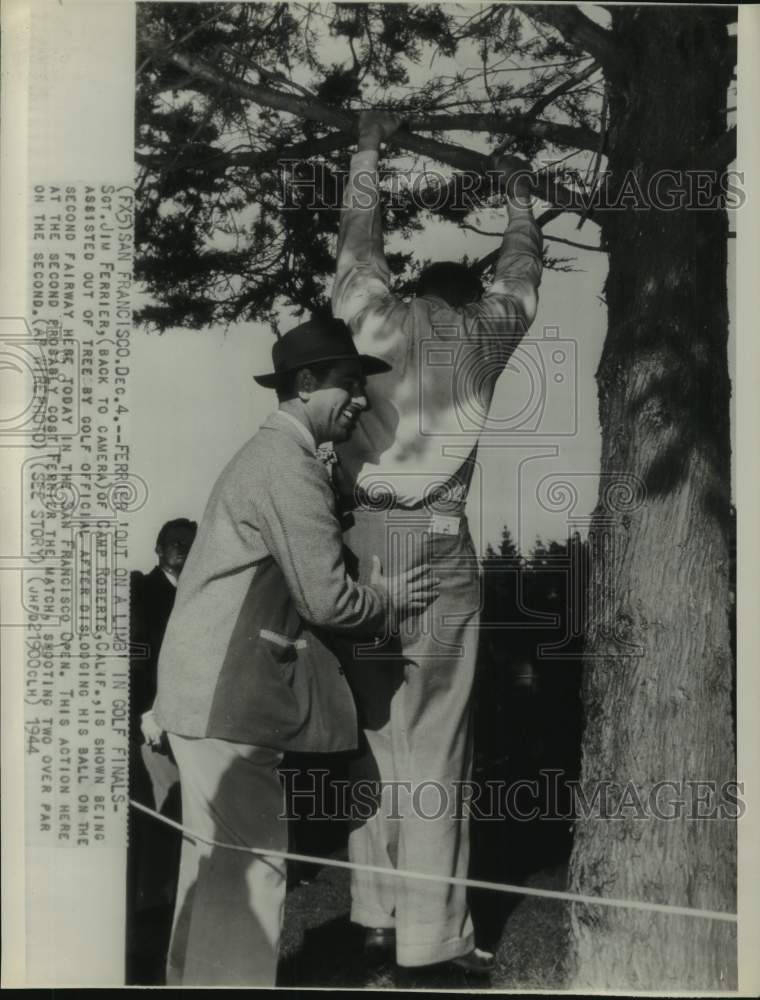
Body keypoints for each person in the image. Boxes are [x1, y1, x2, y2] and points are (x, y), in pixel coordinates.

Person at [152, 316, 439, 987]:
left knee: (212, 870)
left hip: (201, 691)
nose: (361, 399)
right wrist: (390, 602)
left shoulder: (275, 457)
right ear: (305, 383)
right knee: (249, 879)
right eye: (348, 383)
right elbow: (329, 602)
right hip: (227, 697)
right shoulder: (287, 464)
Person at [331, 110, 543, 972]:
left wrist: (369, 153)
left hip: (368, 538)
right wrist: (521, 197)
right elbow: (524, 278)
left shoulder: (379, 322)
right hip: (443, 540)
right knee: (435, 749)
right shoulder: (486, 332)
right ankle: (434, 937)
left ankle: (373, 913)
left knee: (376, 738)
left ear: (417, 289)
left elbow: (357, 248)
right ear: (470, 295)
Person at [127, 517, 197, 983]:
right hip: (151, 718)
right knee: (156, 814)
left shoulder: (195, 595)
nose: (180, 551)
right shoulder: (143, 592)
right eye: (173, 544)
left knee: (180, 816)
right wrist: (145, 713)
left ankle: (171, 899)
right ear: (157, 548)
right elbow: (141, 658)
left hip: (185, 720)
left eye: (188, 546)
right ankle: (153, 907)